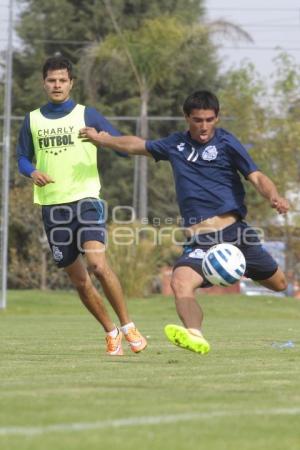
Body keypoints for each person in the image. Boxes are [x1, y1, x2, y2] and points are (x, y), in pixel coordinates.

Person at [79, 90, 289, 355]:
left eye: (209, 120)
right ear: (187, 117)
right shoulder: (175, 145)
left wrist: (274, 196)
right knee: (180, 282)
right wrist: (105, 140)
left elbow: (256, 176)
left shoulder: (226, 143)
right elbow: (137, 145)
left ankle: (237, 266)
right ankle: (196, 336)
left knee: (279, 284)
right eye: (198, 120)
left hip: (236, 235)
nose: (203, 126)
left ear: (217, 118)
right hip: (200, 240)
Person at [17, 56, 147, 356]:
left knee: (98, 265)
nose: (57, 85)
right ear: (44, 83)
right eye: (52, 80)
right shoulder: (32, 119)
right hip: (52, 207)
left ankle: (128, 326)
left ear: (71, 83)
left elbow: (122, 149)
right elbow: (22, 157)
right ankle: (110, 331)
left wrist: (101, 139)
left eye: (63, 80)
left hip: (87, 199)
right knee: (79, 280)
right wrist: (31, 171)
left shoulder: (87, 114)